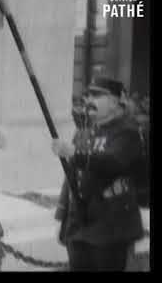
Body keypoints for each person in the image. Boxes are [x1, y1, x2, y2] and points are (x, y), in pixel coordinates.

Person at [52, 77, 144, 271]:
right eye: (88, 95)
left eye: (97, 95)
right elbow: (71, 177)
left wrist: (73, 154)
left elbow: (112, 163)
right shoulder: (82, 133)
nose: (89, 100)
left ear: (114, 102)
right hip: (79, 224)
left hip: (111, 226)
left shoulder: (128, 133)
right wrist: (61, 216)